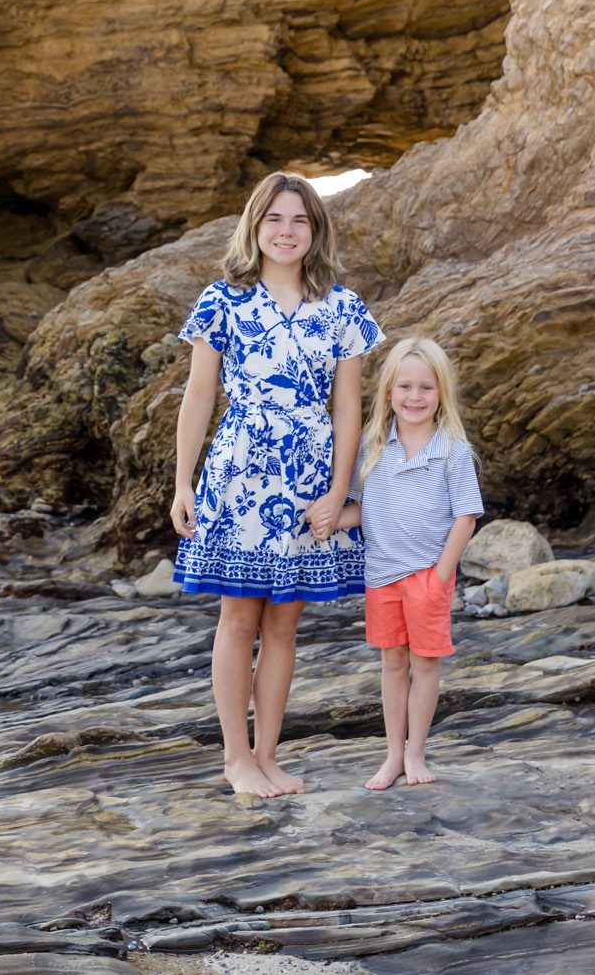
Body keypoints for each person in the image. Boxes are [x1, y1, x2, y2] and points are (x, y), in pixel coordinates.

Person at [170, 172, 384, 797]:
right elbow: (199, 395)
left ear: (315, 232)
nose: (286, 232)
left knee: (284, 624)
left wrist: (340, 491)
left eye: (299, 221)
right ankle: (235, 757)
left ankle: (268, 754)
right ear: (254, 227)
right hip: (238, 475)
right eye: (274, 220)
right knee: (238, 618)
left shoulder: (342, 309)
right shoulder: (222, 301)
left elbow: (349, 409)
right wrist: (183, 483)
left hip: (309, 478)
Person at [342, 336, 483, 790]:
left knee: (425, 665)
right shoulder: (373, 446)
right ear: (388, 392)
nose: (415, 397)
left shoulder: (453, 450)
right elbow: (361, 509)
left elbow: (466, 518)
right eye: (405, 387)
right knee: (392, 663)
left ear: (441, 393)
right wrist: (329, 517)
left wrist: (440, 577)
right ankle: (391, 755)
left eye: (426, 388)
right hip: (381, 574)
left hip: (427, 575)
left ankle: (416, 751)